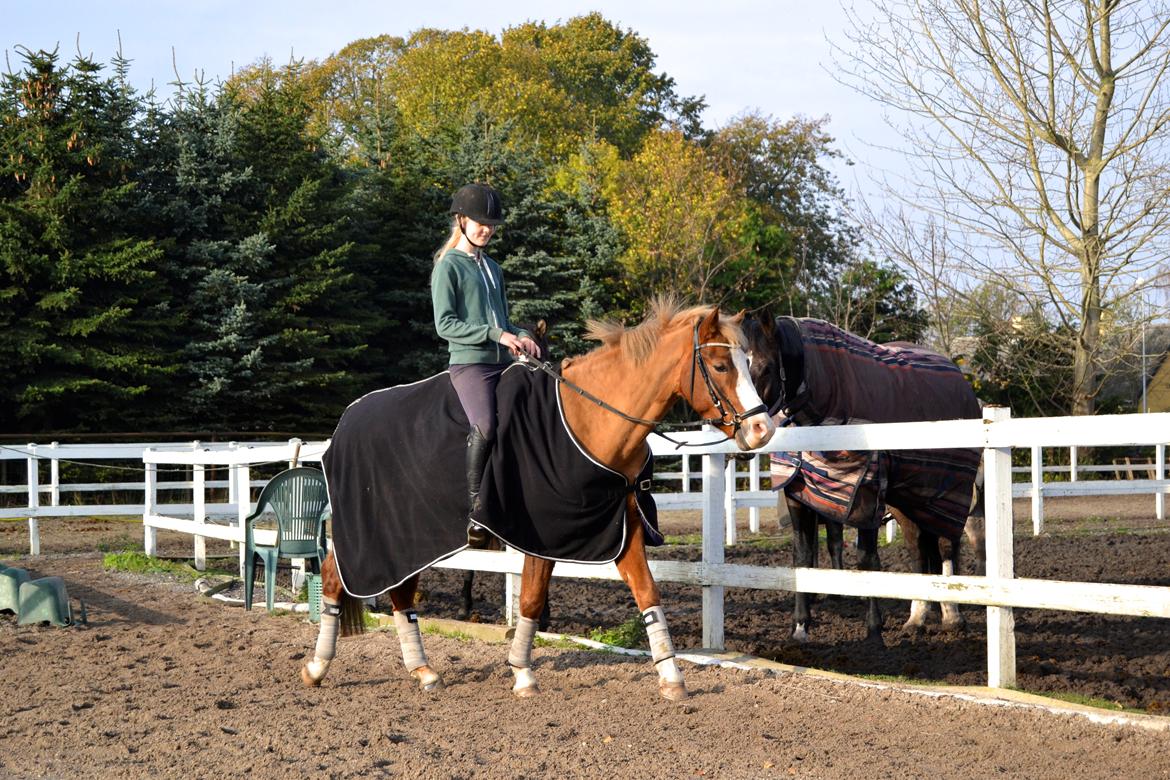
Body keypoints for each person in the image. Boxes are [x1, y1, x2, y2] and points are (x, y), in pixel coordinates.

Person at [431, 183, 542, 548]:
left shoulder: (493, 267)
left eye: (491, 224)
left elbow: (504, 322)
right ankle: (477, 511)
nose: (487, 229)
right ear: (461, 220)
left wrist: (521, 336)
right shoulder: (448, 267)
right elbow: (445, 324)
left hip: (503, 362)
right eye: (480, 222)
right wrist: (496, 335)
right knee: (487, 424)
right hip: (471, 366)